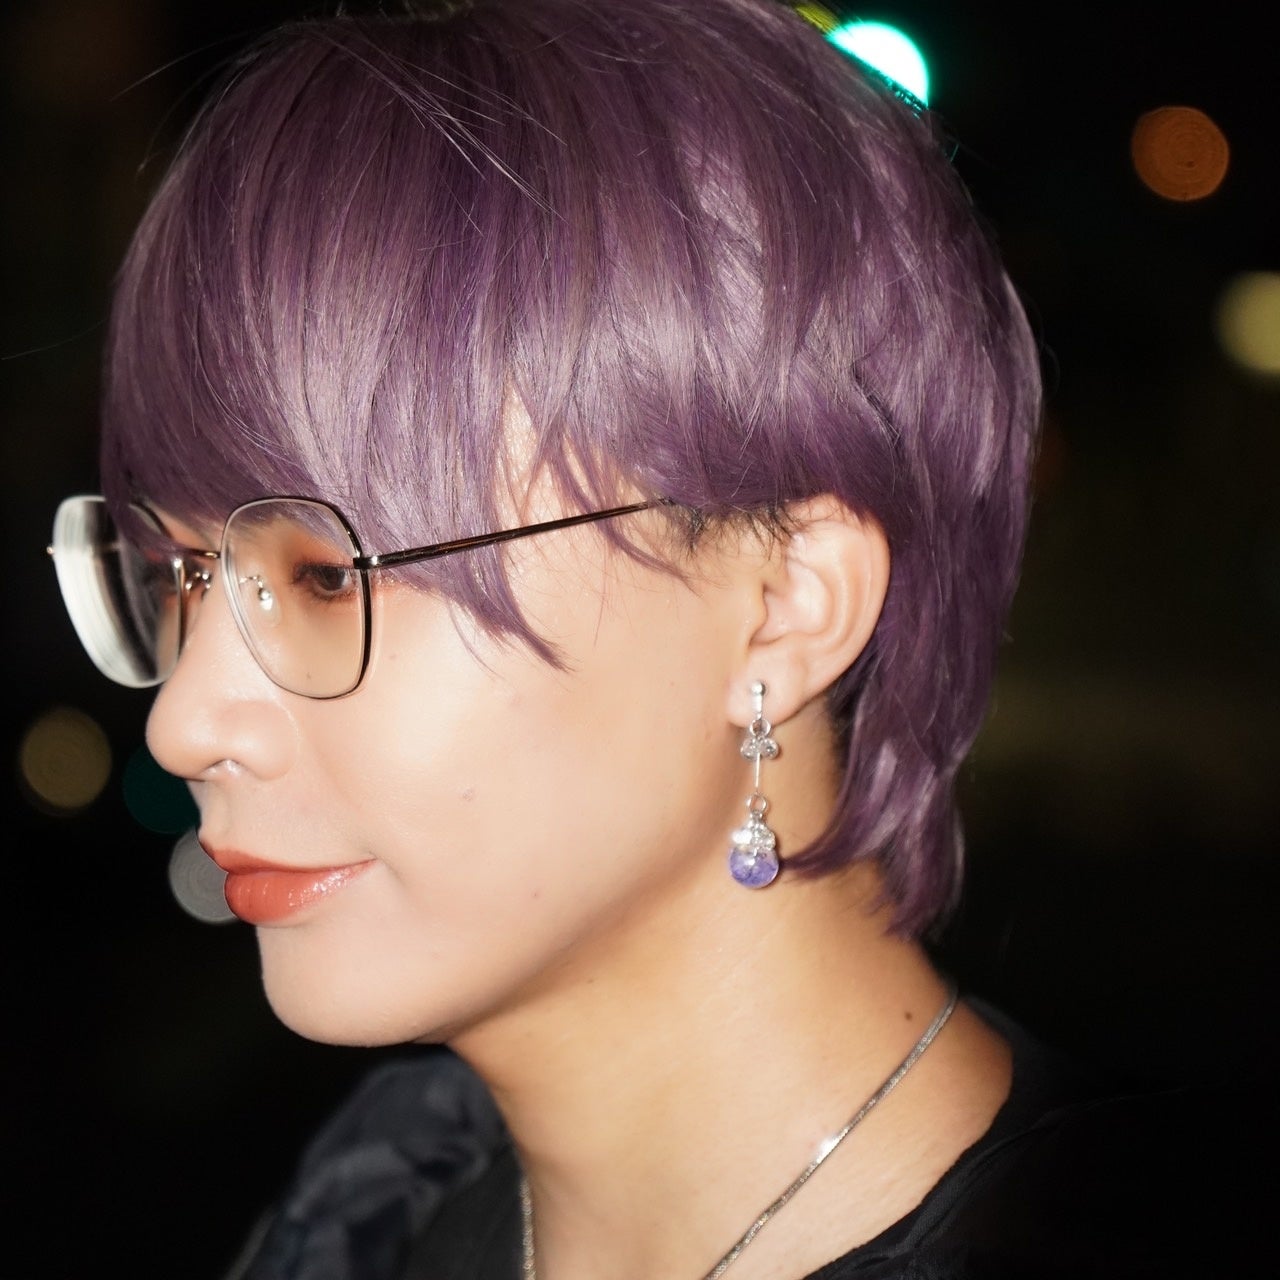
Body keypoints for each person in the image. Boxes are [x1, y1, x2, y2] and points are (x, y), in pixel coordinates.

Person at [46, 1, 1264, 1277]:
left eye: (325, 575)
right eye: (176, 576)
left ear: (784, 602)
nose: (183, 719)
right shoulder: (372, 1205)